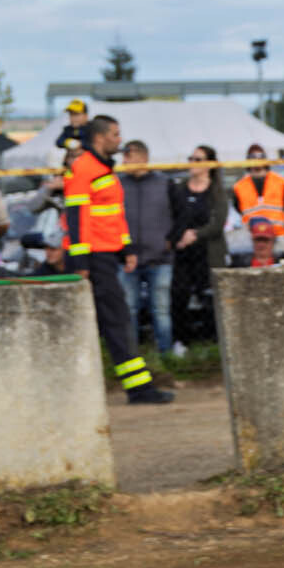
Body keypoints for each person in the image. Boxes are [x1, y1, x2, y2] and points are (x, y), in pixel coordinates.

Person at [65, 115, 172, 404]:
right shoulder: (85, 168)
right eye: (115, 134)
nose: (119, 140)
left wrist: (126, 249)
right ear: (100, 138)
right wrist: (82, 262)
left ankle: (137, 387)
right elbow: (77, 217)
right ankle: (139, 389)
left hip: (105, 255)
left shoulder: (104, 169)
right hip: (93, 258)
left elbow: (113, 215)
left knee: (114, 321)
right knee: (117, 321)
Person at [119, 139, 179, 355]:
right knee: (128, 310)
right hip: (127, 258)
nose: (124, 161)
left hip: (160, 258)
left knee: (161, 311)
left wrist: (171, 240)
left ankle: (166, 355)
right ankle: (130, 356)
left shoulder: (165, 183)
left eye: (129, 156)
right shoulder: (118, 184)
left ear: (143, 158)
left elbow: (181, 214)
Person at [171, 145, 228, 350]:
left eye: (198, 159)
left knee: (209, 298)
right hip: (184, 253)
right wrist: (178, 237)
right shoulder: (180, 188)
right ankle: (181, 342)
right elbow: (172, 216)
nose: (192, 163)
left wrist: (195, 234)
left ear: (209, 164)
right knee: (179, 295)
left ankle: (212, 343)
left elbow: (218, 224)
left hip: (208, 253)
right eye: (191, 158)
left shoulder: (216, 191)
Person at [232, 144, 284, 255]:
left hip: (278, 236)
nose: (256, 160)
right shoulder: (239, 186)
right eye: (252, 157)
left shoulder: (280, 182)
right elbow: (239, 211)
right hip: (253, 239)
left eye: (260, 156)